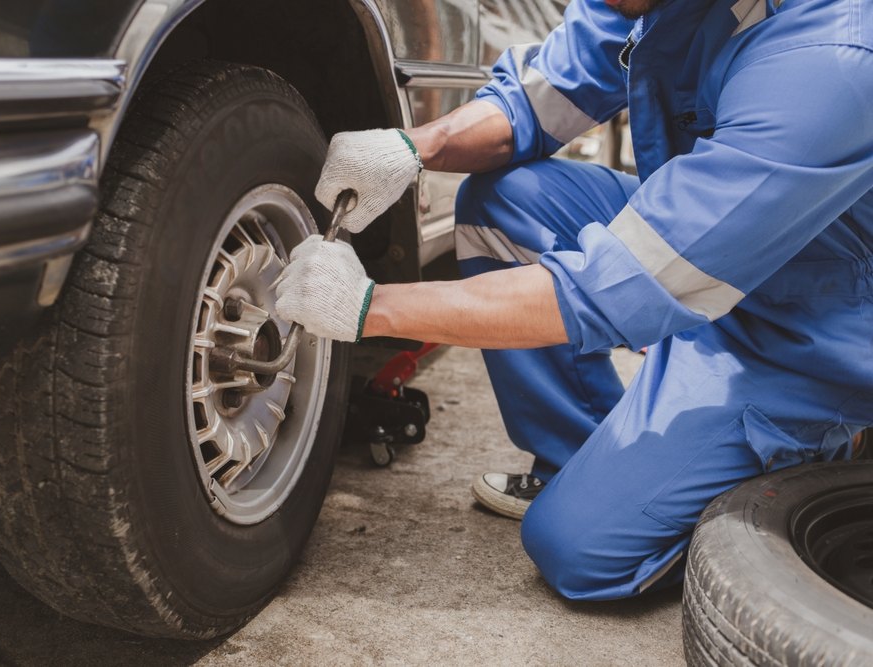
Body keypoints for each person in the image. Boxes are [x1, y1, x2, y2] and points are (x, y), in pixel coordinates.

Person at [274, 0, 873, 600]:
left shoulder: (831, 58)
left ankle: (831, 444)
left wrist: (368, 306)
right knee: (507, 201)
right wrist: (412, 148)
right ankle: (581, 459)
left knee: (578, 549)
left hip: (806, 338)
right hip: (704, 253)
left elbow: (614, 289)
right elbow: (534, 101)